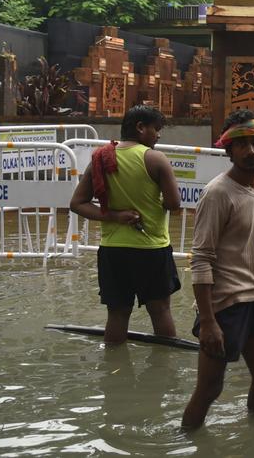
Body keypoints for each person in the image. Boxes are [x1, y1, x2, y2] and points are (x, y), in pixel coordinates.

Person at [182, 110, 254, 430]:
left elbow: (251, 248)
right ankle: (187, 442)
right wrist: (208, 321)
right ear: (228, 150)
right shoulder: (218, 193)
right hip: (223, 306)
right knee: (210, 389)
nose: (250, 150)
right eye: (241, 144)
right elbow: (201, 258)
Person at [70, 105, 182, 344]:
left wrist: (114, 215)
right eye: (156, 129)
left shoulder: (100, 159)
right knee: (160, 310)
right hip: (151, 249)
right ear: (141, 128)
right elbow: (174, 203)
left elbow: (77, 204)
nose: (158, 135)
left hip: (113, 250)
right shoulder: (155, 159)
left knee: (118, 314)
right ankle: (164, 372)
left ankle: (113, 370)